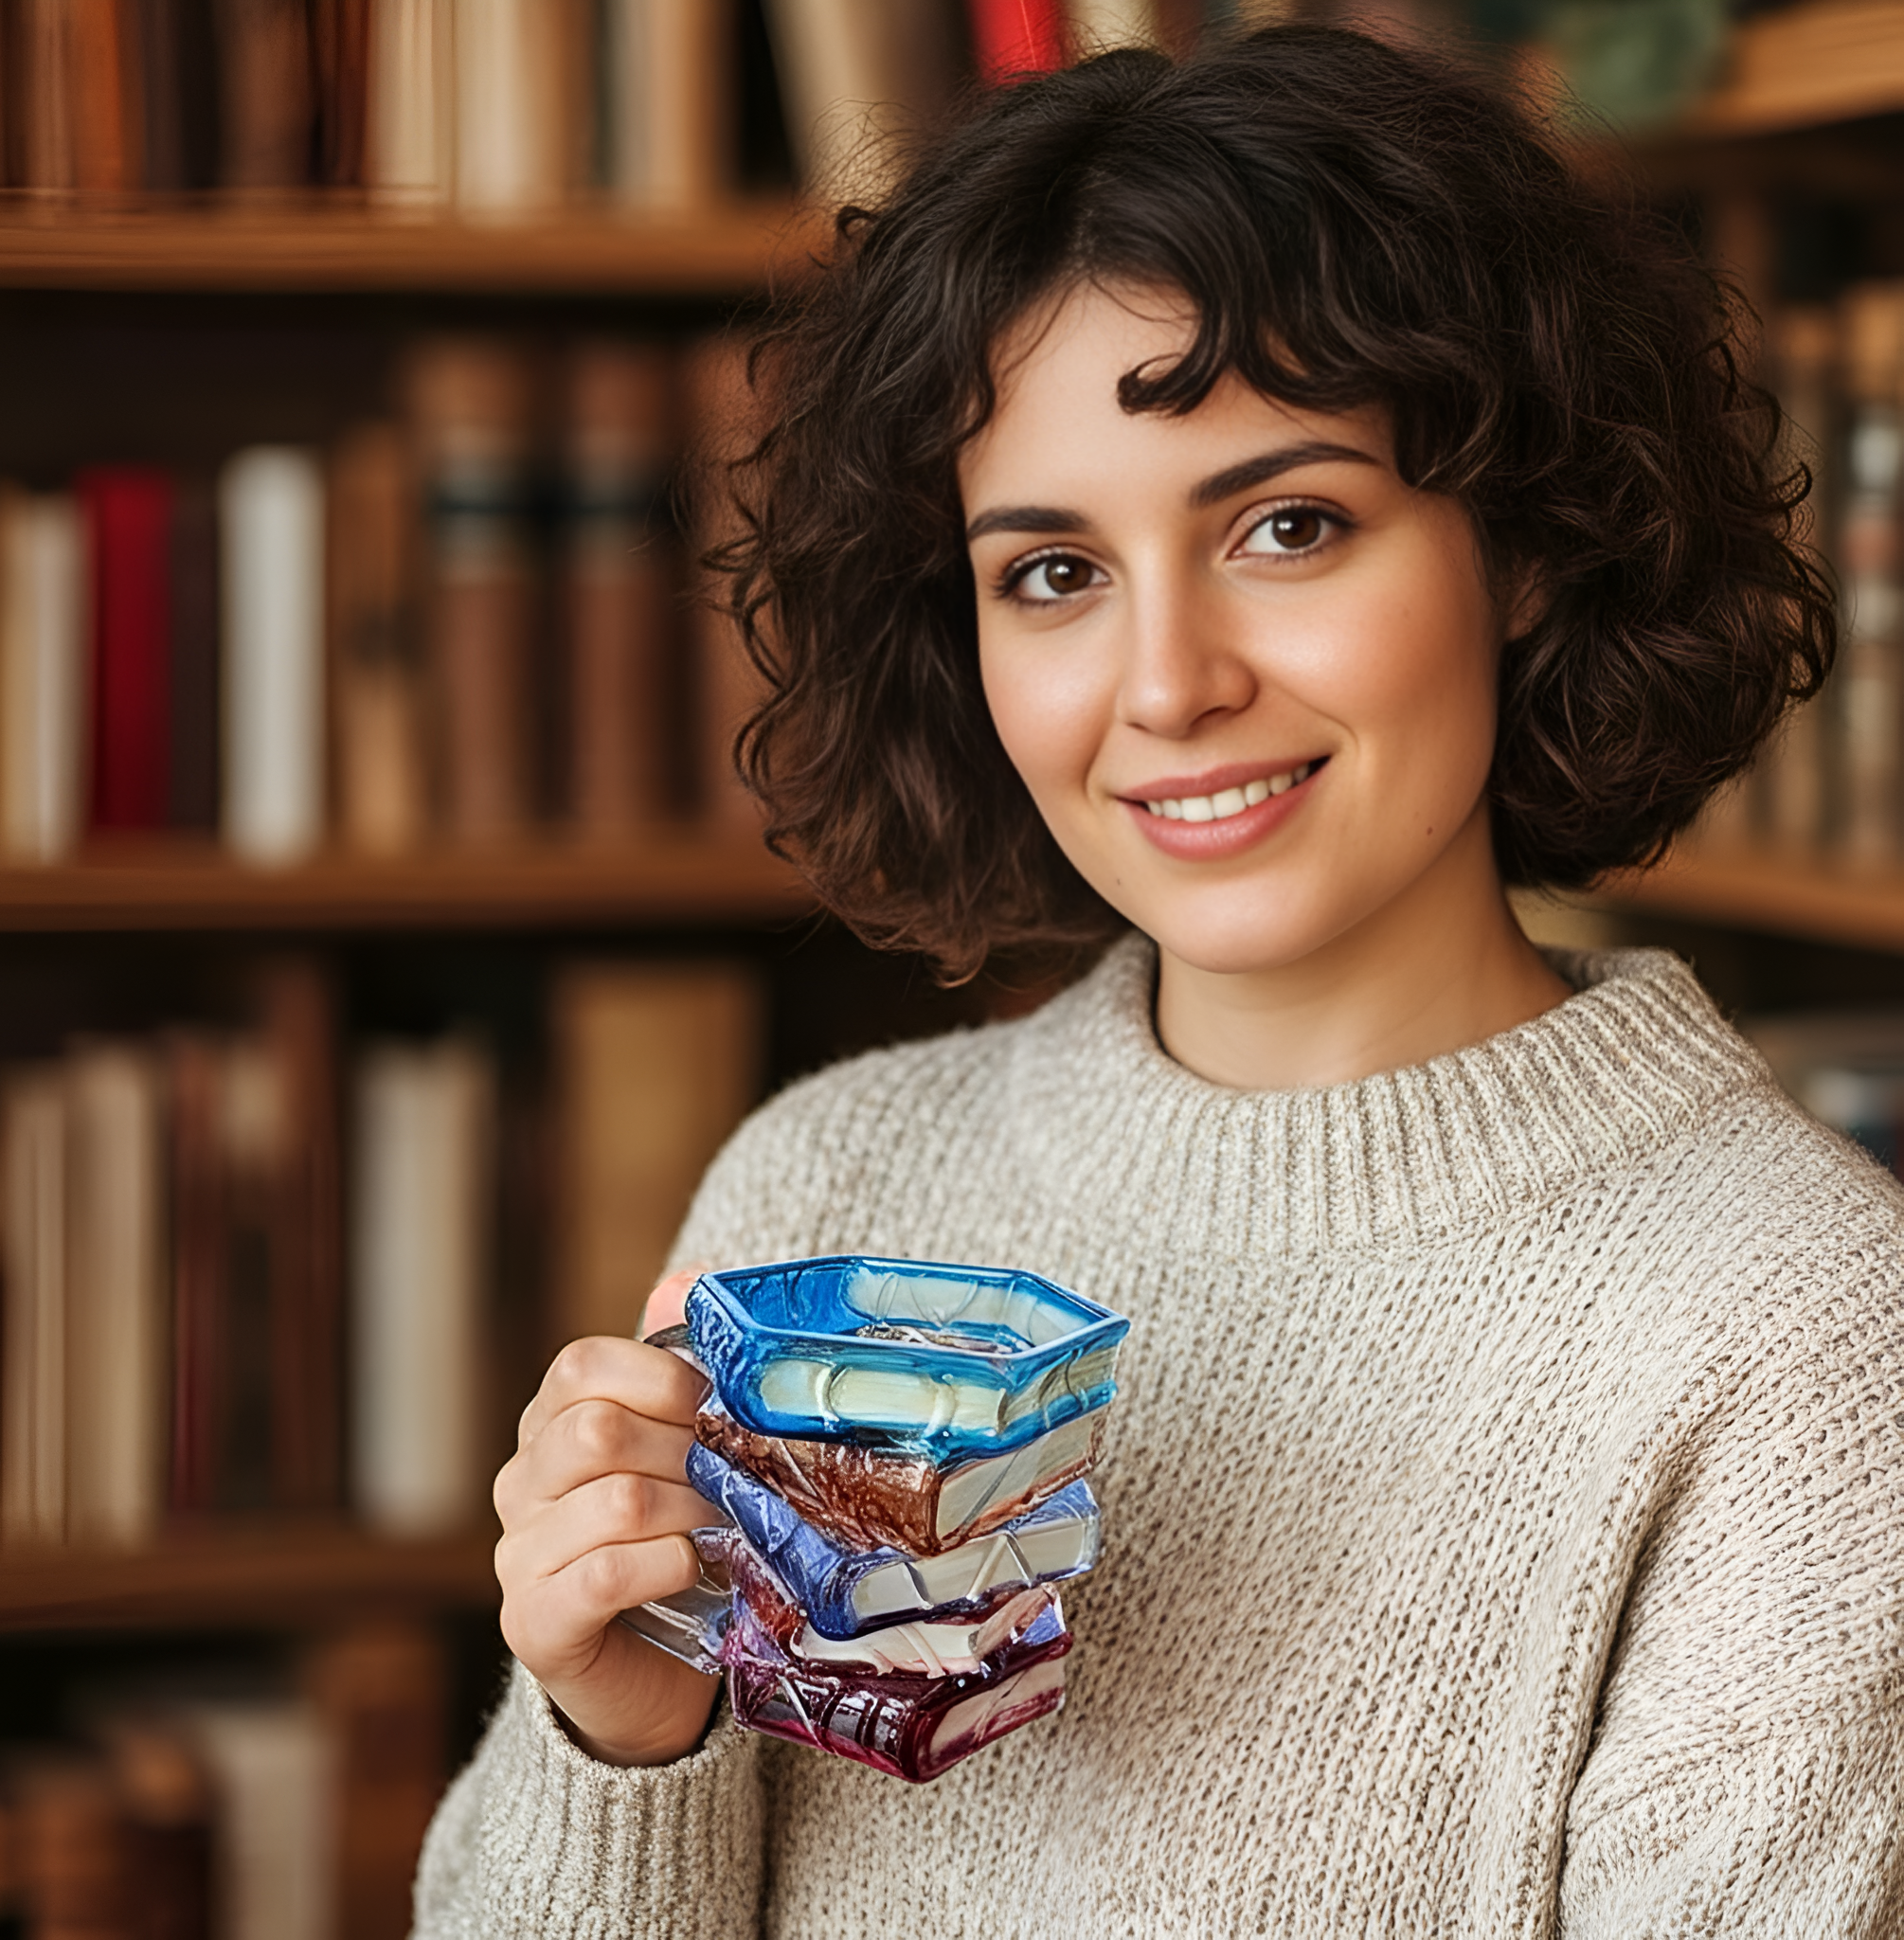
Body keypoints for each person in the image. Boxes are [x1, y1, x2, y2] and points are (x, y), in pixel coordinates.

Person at [415, 24, 1904, 1937]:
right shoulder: (824, 1184)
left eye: (1287, 525)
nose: (1164, 681)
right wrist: (624, 1743)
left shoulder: (1802, 1335)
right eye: (1051, 571)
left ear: (1521, 550)